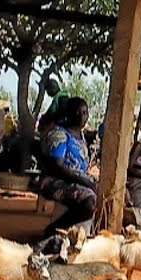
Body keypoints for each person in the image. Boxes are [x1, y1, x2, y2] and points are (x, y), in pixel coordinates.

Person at [38, 97, 97, 237]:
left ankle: (85, 234)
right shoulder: (59, 135)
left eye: (85, 112)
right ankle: (54, 229)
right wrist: (85, 181)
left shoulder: (81, 135)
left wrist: (87, 180)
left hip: (75, 180)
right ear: (69, 114)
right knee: (90, 203)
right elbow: (57, 168)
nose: (82, 116)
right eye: (78, 112)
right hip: (54, 181)